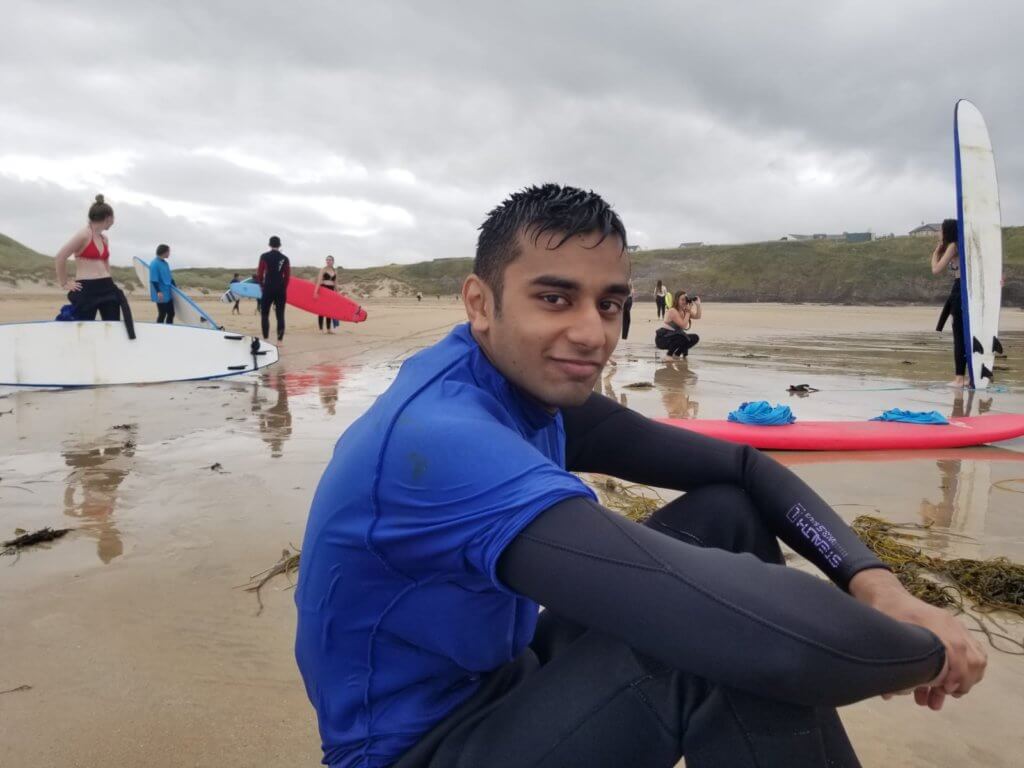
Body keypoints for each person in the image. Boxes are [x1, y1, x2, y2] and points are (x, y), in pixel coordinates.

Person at [295, 184, 985, 768]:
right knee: (714, 648)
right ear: (480, 302)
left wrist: (879, 588)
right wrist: (927, 654)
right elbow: (760, 638)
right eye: (555, 299)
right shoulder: (442, 442)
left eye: (610, 303)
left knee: (727, 515)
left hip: (503, 682)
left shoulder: (517, 390)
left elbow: (742, 467)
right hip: (419, 751)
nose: (595, 333)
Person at [54, 194, 132, 325]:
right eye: (113, 218)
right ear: (108, 218)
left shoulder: (104, 239)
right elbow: (60, 257)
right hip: (87, 288)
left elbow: (106, 263)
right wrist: (64, 283)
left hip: (107, 287)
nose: (114, 221)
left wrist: (111, 283)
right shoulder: (83, 235)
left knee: (112, 325)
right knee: (85, 326)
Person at [931, 219, 966, 387]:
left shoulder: (953, 246)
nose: (939, 233)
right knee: (967, 333)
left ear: (947, 231)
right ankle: (971, 377)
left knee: (959, 334)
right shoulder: (964, 244)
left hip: (960, 289)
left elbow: (936, 269)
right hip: (967, 288)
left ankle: (959, 378)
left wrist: (936, 252)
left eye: (941, 230)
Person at [257, 236, 290, 343]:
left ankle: (266, 339)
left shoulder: (264, 256)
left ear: (269, 245)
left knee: (265, 314)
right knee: (280, 315)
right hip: (280, 289)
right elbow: (287, 276)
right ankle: (279, 341)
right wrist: (283, 288)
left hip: (268, 289)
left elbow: (260, 274)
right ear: (279, 245)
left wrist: (262, 287)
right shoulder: (285, 258)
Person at [655, 290, 701, 358]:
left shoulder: (684, 310)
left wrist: (698, 305)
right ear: (677, 300)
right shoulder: (673, 311)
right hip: (662, 339)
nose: (684, 301)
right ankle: (668, 356)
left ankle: (677, 354)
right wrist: (688, 312)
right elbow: (683, 325)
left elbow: (698, 316)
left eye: (685, 299)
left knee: (695, 338)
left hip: (674, 337)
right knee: (682, 337)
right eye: (682, 300)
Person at [149, 244, 174, 324]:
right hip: (161, 293)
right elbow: (153, 279)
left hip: (168, 292)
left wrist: (176, 288)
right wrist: (158, 291)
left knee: (171, 313)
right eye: (168, 251)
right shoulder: (154, 263)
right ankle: (159, 330)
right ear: (164, 252)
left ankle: (168, 330)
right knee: (162, 313)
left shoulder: (165, 263)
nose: (169, 253)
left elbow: (170, 278)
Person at [314, 255, 338, 333]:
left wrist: (337, 293)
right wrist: (315, 292)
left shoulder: (335, 271)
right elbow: (318, 281)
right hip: (323, 289)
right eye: (327, 260)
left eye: (330, 260)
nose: (328, 261)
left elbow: (335, 283)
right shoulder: (323, 270)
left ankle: (328, 329)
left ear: (333, 261)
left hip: (331, 290)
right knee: (321, 309)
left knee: (329, 310)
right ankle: (321, 329)